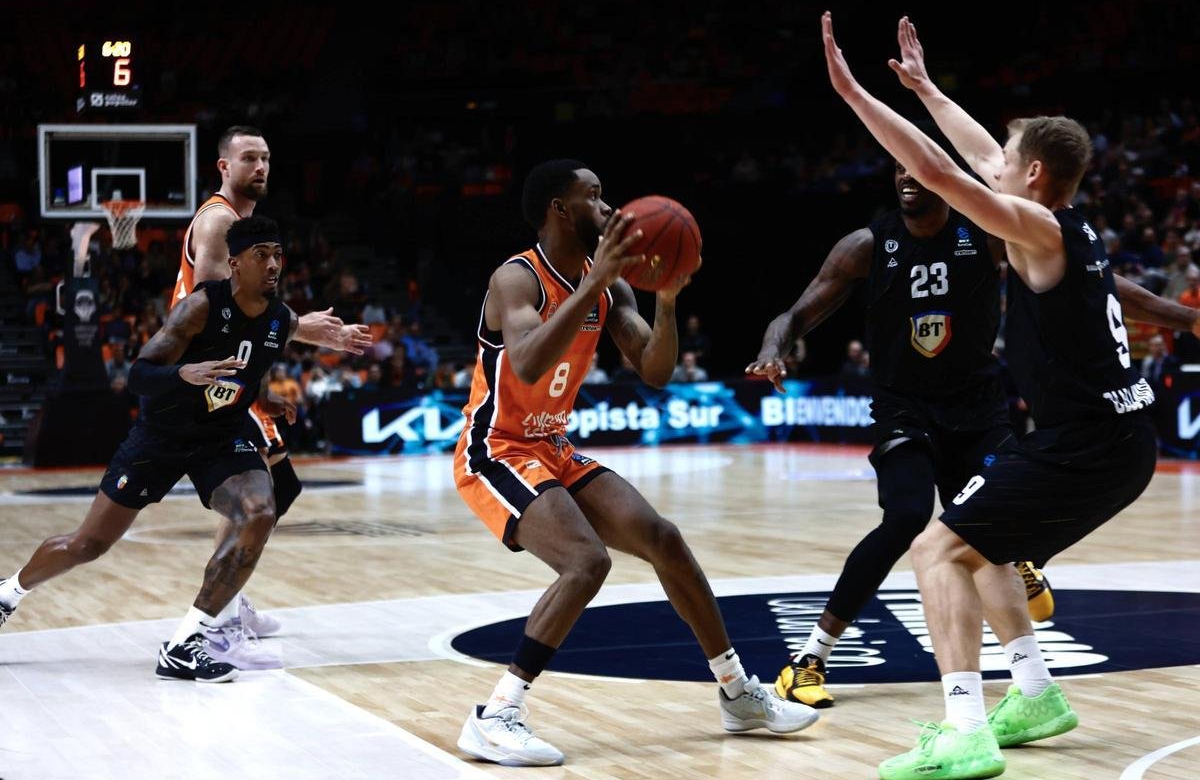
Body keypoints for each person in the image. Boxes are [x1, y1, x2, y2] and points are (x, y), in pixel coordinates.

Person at [821, 12, 1200, 778]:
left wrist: (855, 95)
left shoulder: (1034, 227)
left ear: (1032, 178)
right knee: (981, 540)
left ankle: (964, 729)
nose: (995, 163)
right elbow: (979, 152)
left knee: (936, 550)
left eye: (1008, 160)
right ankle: (1033, 694)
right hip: (1115, 438)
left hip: (1087, 447)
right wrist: (926, 86)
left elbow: (937, 172)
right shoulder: (1063, 219)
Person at [452, 159, 817, 767]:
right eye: (593, 196)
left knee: (663, 538)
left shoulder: (613, 286)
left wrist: (666, 301)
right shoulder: (516, 279)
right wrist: (596, 282)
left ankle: (737, 694)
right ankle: (495, 715)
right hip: (497, 447)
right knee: (586, 561)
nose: (607, 207)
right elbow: (527, 364)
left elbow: (654, 371)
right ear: (559, 210)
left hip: (552, 446)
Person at [748, 142, 1056, 711]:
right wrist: (773, 349)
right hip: (905, 409)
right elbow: (794, 314)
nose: (906, 177)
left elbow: (1066, 279)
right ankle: (810, 658)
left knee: (1001, 519)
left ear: (942, 175)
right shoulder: (868, 245)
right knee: (907, 518)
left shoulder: (984, 234)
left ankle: (1027, 616)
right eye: (897, 168)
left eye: (916, 167)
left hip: (979, 406)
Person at [0, 216, 366, 682]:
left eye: (278, 254)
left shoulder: (281, 318)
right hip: (161, 437)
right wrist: (182, 375)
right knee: (87, 544)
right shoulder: (199, 308)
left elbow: (249, 369)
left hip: (221, 436)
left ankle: (186, 642)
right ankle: (8, 593)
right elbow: (137, 374)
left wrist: (265, 397)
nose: (273, 265)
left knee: (259, 511)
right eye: (262, 256)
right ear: (234, 263)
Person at [170, 125, 371, 648]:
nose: (260, 168)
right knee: (263, 497)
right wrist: (309, 329)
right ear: (223, 166)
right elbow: (225, 313)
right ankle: (216, 620)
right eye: (249, 158)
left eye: (266, 158)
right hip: (210, 379)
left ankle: (226, 607)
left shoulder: (240, 225)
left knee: (273, 494)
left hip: (231, 373)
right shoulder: (218, 221)